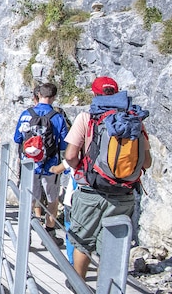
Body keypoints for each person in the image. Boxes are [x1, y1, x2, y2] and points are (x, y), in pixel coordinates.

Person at [64, 76, 152, 280]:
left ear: (95, 94)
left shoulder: (87, 117)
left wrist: (83, 170)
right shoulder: (135, 120)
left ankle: (79, 286)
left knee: (82, 240)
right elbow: (146, 162)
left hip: (91, 191)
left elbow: (70, 155)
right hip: (124, 194)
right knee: (111, 246)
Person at [13, 82, 69, 237]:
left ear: (38, 95)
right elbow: (64, 144)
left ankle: (26, 234)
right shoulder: (57, 117)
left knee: (29, 199)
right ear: (53, 97)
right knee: (52, 200)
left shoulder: (26, 114)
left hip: (30, 165)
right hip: (50, 166)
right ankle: (49, 233)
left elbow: (17, 138)